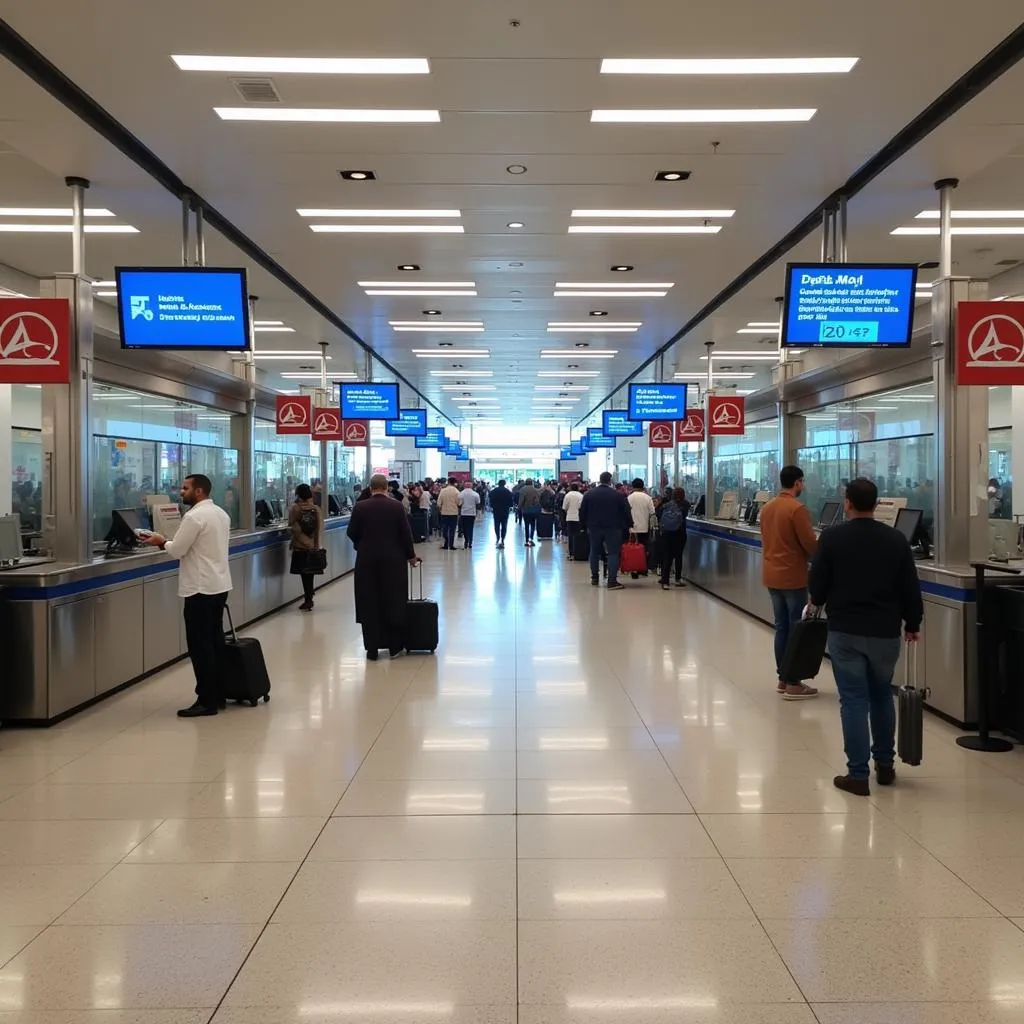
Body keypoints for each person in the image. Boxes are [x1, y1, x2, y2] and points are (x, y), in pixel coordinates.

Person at [808, 478, 924, 796]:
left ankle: (857, 774)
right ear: (876, 504)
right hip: (885, 632)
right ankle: (885, 766)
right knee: (882, 696)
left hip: (845, 630)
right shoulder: (897, 540)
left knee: (854, 700)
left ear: (847, 502)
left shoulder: (832, 538)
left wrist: (816, 602)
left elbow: (817, 586)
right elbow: (910, 588)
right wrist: (913, 623)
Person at [141, 473, 233, 717]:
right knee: (215, 642)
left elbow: (177, 550)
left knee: (200, 647)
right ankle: (218, 694)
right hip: (219, 586)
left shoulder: (194, 517)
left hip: (199, 589)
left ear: (199, 492)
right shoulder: (221, 514)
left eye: (185, 488)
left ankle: (206, 701)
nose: (181, 492)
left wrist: (161, 541)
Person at [760, 465, 819, 699]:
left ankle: (783, 678)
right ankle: (794, 681)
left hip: (772, 575)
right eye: (802, 482)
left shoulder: (768, 507)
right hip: (793, 577)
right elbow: (809, 544)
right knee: (797, 629)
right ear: (797, 483)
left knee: (781, 627)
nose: (803, 486)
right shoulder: (797, 509)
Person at [347, 474, 420, 660]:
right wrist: (411, 556)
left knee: (368, 601)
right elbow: (405, 533)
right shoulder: (396, 506)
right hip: (393, 561)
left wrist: (361, 546)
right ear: (387, 488)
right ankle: (395, 647)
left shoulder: (360, 507)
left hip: (366, 561)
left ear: (370, 488)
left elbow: (352, 532)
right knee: (394, 600)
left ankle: (372, 649)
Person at [580, 471, 631, 590]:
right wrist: (629, 524)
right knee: (613, 553)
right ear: (610, 480)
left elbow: (582, 512)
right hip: (613, 528)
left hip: (594, 527)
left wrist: (583, 526)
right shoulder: (617, 495)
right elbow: (625, 512)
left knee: (594, 551)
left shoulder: (589, 494)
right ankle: (612, 581)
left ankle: (594, 578)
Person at [289, 483, 324, 612]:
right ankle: (309, 596)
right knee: (310, 573)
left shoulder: (295, 508)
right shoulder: (316, 509)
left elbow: (291, 526)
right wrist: (315, 544)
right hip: (313, 547)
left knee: (304, 574)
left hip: (300, 547)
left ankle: (308, 598)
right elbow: (319, 528)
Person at [657, 487, 690, 590]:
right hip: (680, 534)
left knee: (667, 557)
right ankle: (678, 579)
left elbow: (658, 513)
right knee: (678, 556)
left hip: (667, 534)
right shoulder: (685, 504)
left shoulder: (666, 505)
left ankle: (665, 581)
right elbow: (684, 516)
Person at [627, 478, 656, 579]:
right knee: (644, 550)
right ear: (643, 486)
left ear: (632, 486)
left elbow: (626, 512)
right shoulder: (648, 498)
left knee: (632, 550)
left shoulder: (629, 497)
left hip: (632, 529)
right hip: (644, 528)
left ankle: (633, 570)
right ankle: (643, 569)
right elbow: (652, 513)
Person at [489, 479, 515, 548]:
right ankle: (503, 539)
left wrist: (492, 506)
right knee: (504, 525)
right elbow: (511, 502)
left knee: (496, 525)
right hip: (505, 511)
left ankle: (498, 537)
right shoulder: (508, 491)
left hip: (496, 510)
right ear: (504, 484)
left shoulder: (494, 491)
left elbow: (490, 498)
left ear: (498, 483)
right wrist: (510, 506)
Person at [437, 477, 461, 550]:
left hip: (444, 513)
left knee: (445, 528)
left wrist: (440, 508)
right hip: (454, 513)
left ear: (448, 482)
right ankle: (451, 545)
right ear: (455, 483)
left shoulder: (443, 491)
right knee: (452, 529)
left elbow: (439, 503)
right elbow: (459, 503)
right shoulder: (457, 491)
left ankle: (446, 543)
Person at [562, 482, 584, 558]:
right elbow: (581, 507)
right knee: (577, 535)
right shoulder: (581, 495)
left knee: (570, 535)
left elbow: (564, 507)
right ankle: (577, 552)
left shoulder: (567, 495)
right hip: (578, 518)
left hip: (570, 517)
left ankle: (571, 553)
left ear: (570, 487)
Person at [458, 480, 480, 548]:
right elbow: (478, 503)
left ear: (464, 485)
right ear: (471, 485)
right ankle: (470, 542)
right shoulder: (475, 494)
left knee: (464, 528)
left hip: (464, 513)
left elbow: (459, 504)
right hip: (472, 513)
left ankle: (466, 541)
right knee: (470, 528)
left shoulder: (461, 493)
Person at [519, 477, 541, 547]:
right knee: (533, 525)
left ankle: (527, 540)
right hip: (534, 510)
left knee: (526, 525)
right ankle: (531, 539)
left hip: (526, 510)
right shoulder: (535, 490)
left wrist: (519, 507)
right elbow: (538, 501)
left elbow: (521, 500)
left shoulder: (522, 490)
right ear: (532, 483)